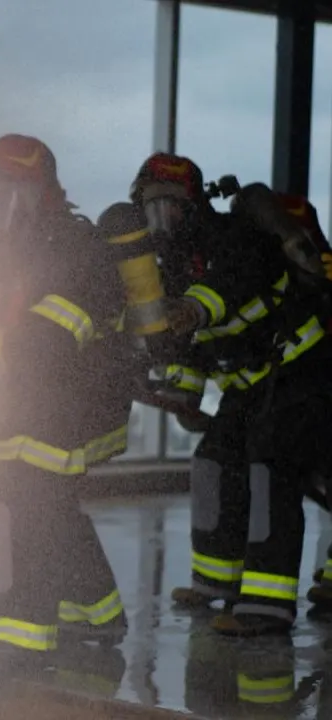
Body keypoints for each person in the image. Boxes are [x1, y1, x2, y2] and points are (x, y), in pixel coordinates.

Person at [131, 152, 332, 636]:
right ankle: (218, 581)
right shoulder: (176, 266)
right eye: (153, 209)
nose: (164, 220)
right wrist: (183, 392)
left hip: (306, 371)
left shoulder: (237, 238)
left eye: (172, 206)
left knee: (271, 464)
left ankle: (267, 606)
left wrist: (191, 311)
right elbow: (191, 346)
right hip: (254, 388)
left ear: (197, 203)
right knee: (214, 462)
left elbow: (227, 288)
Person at [0, 133, 140, 671]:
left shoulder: (73, 244)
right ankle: (98, 613)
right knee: (48, 502)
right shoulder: (19, 250)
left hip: (72, 402)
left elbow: (47, 338)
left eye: (7, 194)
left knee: (21, 498)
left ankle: (19, 640)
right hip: (37, 399)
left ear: (37, 189)